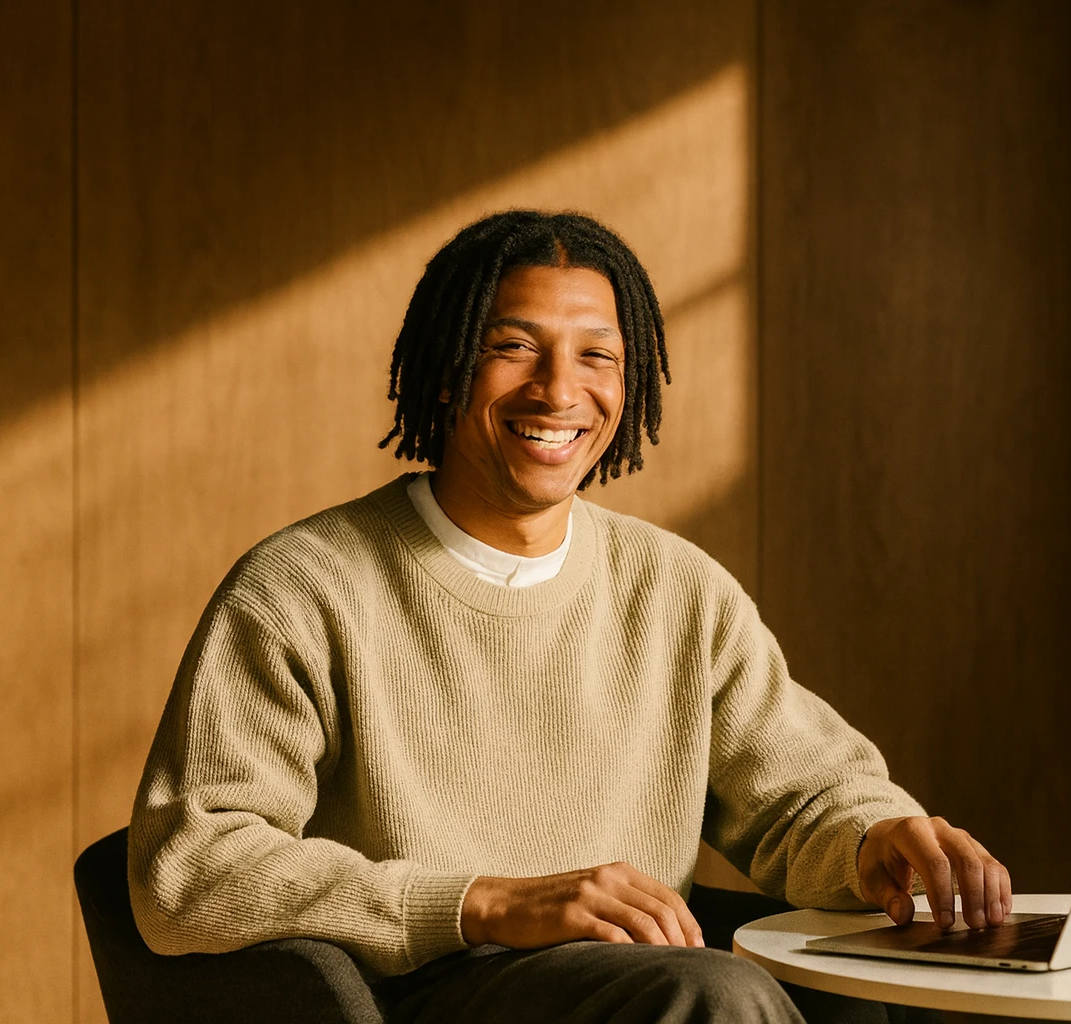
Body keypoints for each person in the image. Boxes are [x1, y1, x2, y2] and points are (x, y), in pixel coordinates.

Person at [127, 210, 1011, 1023]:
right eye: (513, 347)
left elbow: (803, 795)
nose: (559, 390)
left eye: (597, 355)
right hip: (422, 992)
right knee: (713, 997)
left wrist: (878, 840)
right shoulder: (304, 587)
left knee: (938, 984)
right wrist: (489, 903)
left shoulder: (675, 588)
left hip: (647, 985)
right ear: (445, 373)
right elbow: (191, 868)